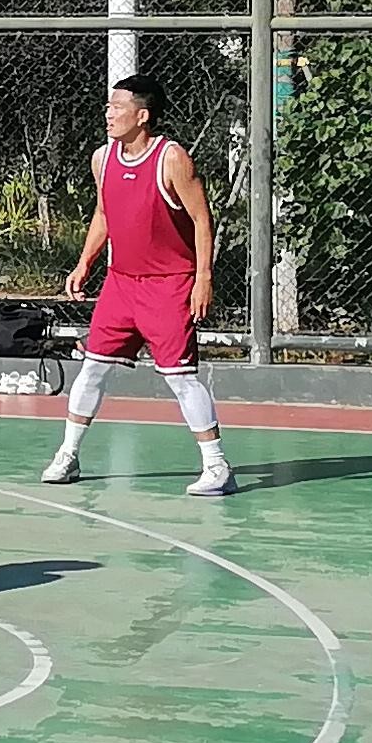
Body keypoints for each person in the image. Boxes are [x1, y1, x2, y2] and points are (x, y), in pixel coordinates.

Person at [40, 75, 235, 497]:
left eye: (117, 107)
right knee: (92, 367)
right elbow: (104, 214)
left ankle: (217, 466)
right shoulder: (103, 158)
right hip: (120, 283)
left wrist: (203, 278)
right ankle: (68, 455)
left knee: (180, 377)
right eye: (108, 106)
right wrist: (84, 262)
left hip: (169, 285)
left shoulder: (171, 158)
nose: (108, 114)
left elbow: (202, 219)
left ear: (142, 115)